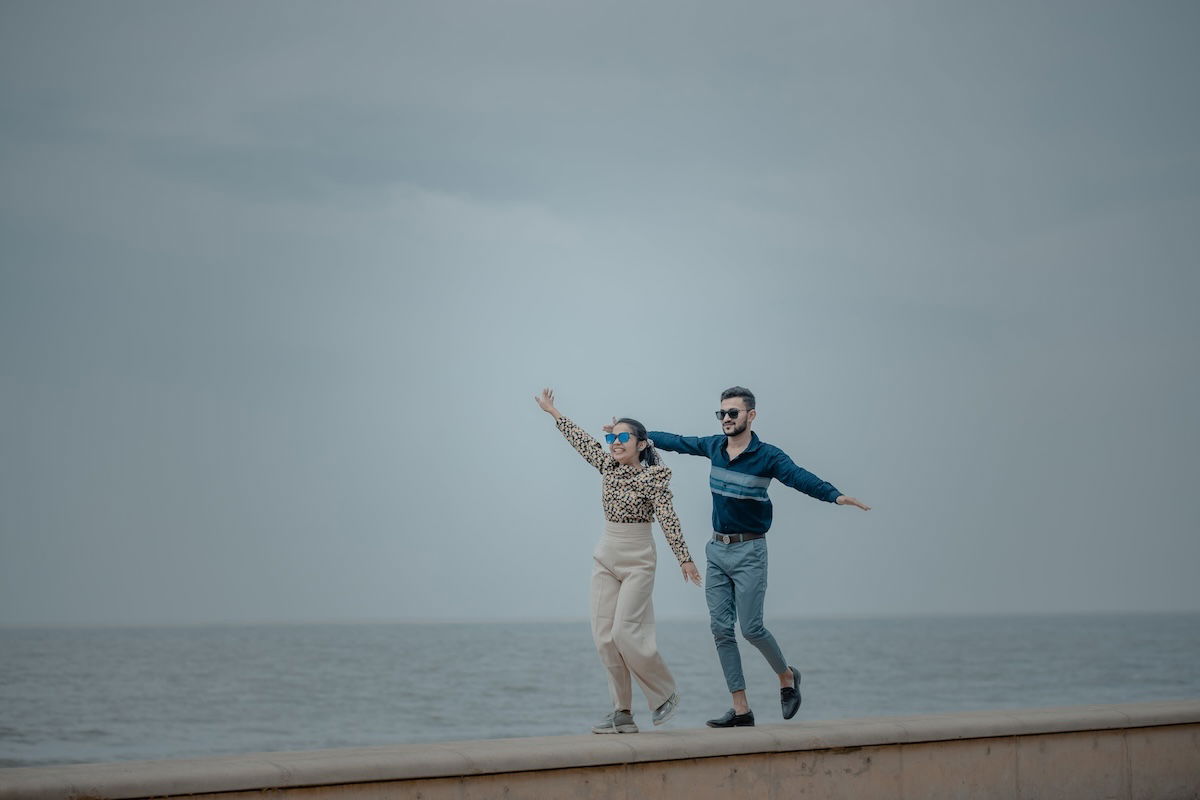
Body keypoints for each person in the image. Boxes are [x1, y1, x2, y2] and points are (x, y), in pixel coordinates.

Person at [633, 386, 870, 728]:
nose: (726, 419)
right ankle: (741, 709)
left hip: (750, 551)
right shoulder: (714, 446)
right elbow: (676, 441)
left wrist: (835, 496)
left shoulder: (767, 456)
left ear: (751, 415)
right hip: (716, 550)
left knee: (752, 628)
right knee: (720, 629)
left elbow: (799, 477)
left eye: (733, 413)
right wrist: (637, 435)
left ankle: (787, 677)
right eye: (722, 414)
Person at [535, 388, 703, 734]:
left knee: (625, 632)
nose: (614, 442)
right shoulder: (607, 465)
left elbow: (669, 519)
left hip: (639, 558)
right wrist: (554, 412)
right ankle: (622, 713)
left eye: (623, 437)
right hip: (606, 555)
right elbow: (582, 442)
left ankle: (663, 694)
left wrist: (684, 559)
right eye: (612, 436)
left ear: (642, 443)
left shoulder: (654, 477)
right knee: (604, 638)